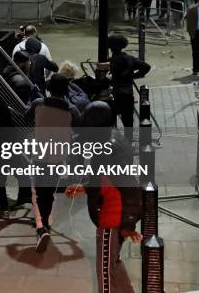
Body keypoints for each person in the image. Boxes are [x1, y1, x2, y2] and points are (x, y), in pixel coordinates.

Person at [65, 102, 142, 293]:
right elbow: (106, 180)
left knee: (105, 269)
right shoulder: (113, 140)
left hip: (111, 218)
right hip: (114, 214)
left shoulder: (107, 149)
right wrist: (85, 188)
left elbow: (128, 186)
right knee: (113, 262)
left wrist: (127, 224)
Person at [26, 74, 81, 250]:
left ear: (49, 89)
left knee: (41, 191)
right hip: (58, 156)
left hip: (39, 155)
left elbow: (26, 118)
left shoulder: (38, 104)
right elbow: (81, 129)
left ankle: (43, 229)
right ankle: (45, 226)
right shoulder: (71, 109)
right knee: (49, 192)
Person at [108, 35, 151, 140]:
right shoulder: (129, 59)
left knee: (111, 121)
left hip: (113, 94)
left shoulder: (110, 61)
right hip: (127, 94)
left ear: (110, 47)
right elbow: (146, 66)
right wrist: (133, 76)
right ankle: (128, 142)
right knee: (128, 122)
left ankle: (113, 141)